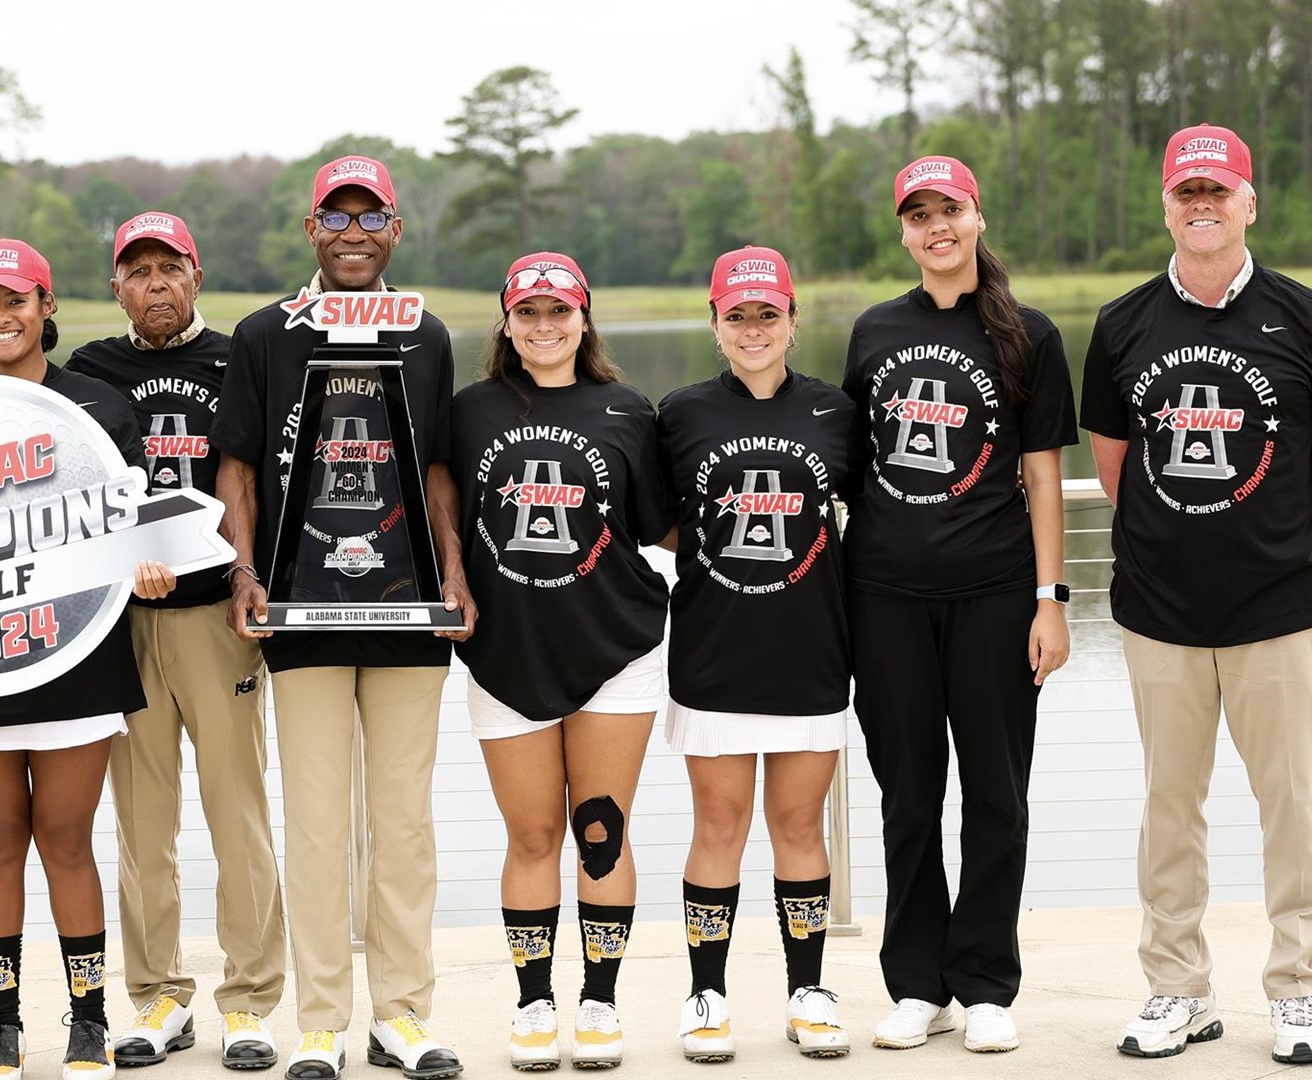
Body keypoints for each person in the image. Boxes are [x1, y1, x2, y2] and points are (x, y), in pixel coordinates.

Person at [1079, 125, 1312, 1066]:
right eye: (1186, 191)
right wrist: (1181, 547)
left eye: (1217, 189)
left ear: (1250, 201)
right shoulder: (1122, 324)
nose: (1200, 204)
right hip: (1159, 616)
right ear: (1166, 206)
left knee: (1295, 810)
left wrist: (1284, 553)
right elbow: (1118, 471)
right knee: (1171, 810)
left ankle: (1297, 992)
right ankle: (1179, 988)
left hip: (1278, 615)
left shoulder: (1310, 317)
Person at [213, 154, 474, 1080]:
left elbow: (437, 466)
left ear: (396, 230)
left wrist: (453, 571)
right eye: (337, 217)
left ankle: (401, 1015)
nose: (353, 233)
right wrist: (245, 571)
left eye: (371, 218)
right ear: (311, 229)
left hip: (408, 609)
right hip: (301, 611)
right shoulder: (264, 334)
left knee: (403, 824)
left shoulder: (427, 334)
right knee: (318, 824)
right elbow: (238, 466)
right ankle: (320, 1022)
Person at [0, 238, 176, 1080]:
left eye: (15, 300)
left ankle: (88, 1021)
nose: (0, 317)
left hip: (76, 654)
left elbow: (133, 522)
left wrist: (148, 561)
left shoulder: (98, 405)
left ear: (46, 306)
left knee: (66, 840)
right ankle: (2, 1024)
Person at [841, 156, 1075, 1053]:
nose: (936, 226)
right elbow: (852, 465)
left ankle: (984, 984)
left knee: (996, 795)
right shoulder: (874, 330)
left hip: (995, 594)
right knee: (908, 794)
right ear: (904, 232)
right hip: (885, 596)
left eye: (950, 210)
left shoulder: (1029, 334)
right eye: (919, 215)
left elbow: (1043, 479)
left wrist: (1050, 600)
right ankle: (916, 984)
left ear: (978, 217)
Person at [66, 213, 286, 1070]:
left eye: (170, 267)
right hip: (122, 623)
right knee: (142, 823)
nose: (155, 284)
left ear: (197, 276)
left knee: (238, 812)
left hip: (214, 615)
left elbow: (265, 476)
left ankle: (250, 998)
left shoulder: (238, 360)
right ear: (116, 286)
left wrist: (252, 576)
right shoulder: (89, 369)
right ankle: (158, 995)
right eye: (138, 271)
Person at [449, 252, 672, 1071]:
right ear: (507, 323)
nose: (544, 325)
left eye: (559, 311)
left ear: (584, 319)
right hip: (506, 653)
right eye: (529, 312)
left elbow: (663, 526)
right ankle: (534, 1004)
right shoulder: (468, 412)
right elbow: (438, 512)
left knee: (599, 832)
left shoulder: (628, 410)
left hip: (615, 649)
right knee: (534, 834)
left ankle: (600, 1004)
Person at [655, 246, 856, 1063]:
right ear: (714, 323)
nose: (752, 329)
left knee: (800, 824)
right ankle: (707, 994)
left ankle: (808, 992)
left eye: (767, 313)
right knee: (720, 824)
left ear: (792, 319)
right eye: (736, 315)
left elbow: (874, 517)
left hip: (812, 652)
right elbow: (659, 522)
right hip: (715, 652)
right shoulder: (681, 413)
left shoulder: (837, 411)